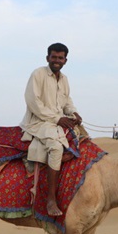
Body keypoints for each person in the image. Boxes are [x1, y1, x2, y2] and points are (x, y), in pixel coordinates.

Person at [20, 42, 83, 216]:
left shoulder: (64, 80)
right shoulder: (38, 74)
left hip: (57, 122)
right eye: (53, 57)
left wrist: (74, 113)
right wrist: (57, 118)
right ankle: (50, 200)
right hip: (38, 122)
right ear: (47, 58)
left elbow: (67, 102)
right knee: (55, 148)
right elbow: (33, 103)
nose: (56, 60)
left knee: (82, 141)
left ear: (65, 60)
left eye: (60, 58)